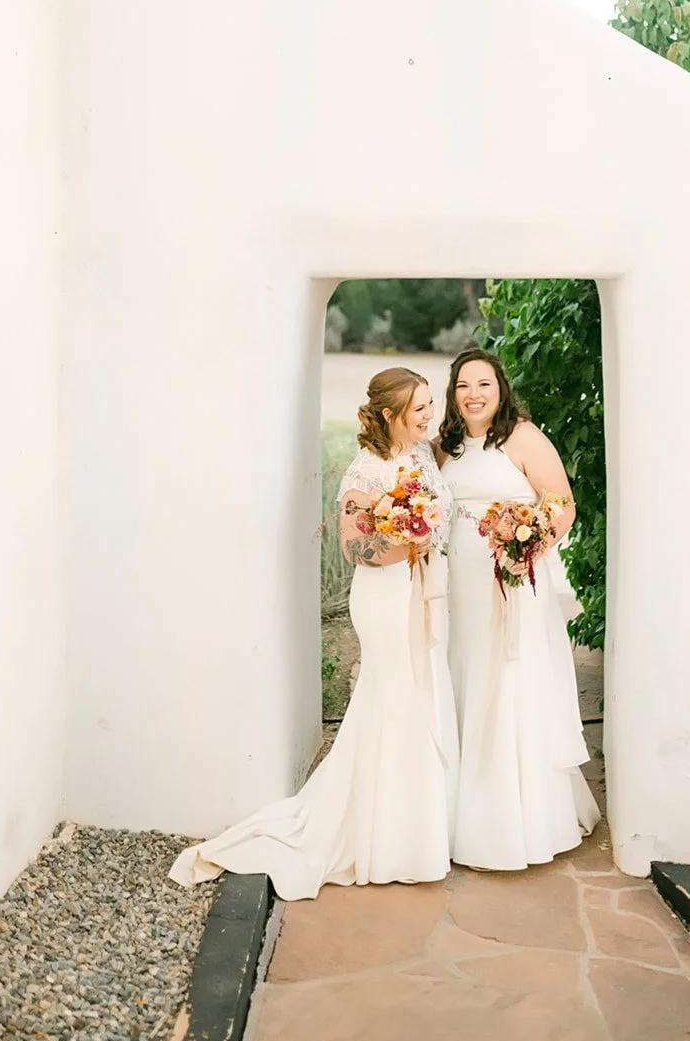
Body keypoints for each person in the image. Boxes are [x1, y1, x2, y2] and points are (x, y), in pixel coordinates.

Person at [169, 367, 458, 898]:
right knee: (392, 700)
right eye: (420, 408)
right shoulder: (364, 473)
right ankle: (379, 837)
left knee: (420, 699)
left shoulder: (417, 456)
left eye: (430, 405)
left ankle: (415, 832)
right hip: (386, 599)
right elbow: (353, 548)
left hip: (420, 595)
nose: (429, 415)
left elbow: (455, 457)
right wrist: (407, 542)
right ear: (390, 415)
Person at [436, 347, 599, 870]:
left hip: (512, 579)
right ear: (453, 394)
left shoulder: (522, 437)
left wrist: (527, 546)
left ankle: (517, 822)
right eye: (464, 386)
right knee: (466, 675)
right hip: (460, 583)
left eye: (483, 384)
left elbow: (562, 505)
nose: (474, 394)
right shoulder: (448, 446)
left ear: (500, 388)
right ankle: (459, 812)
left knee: (508, 680)